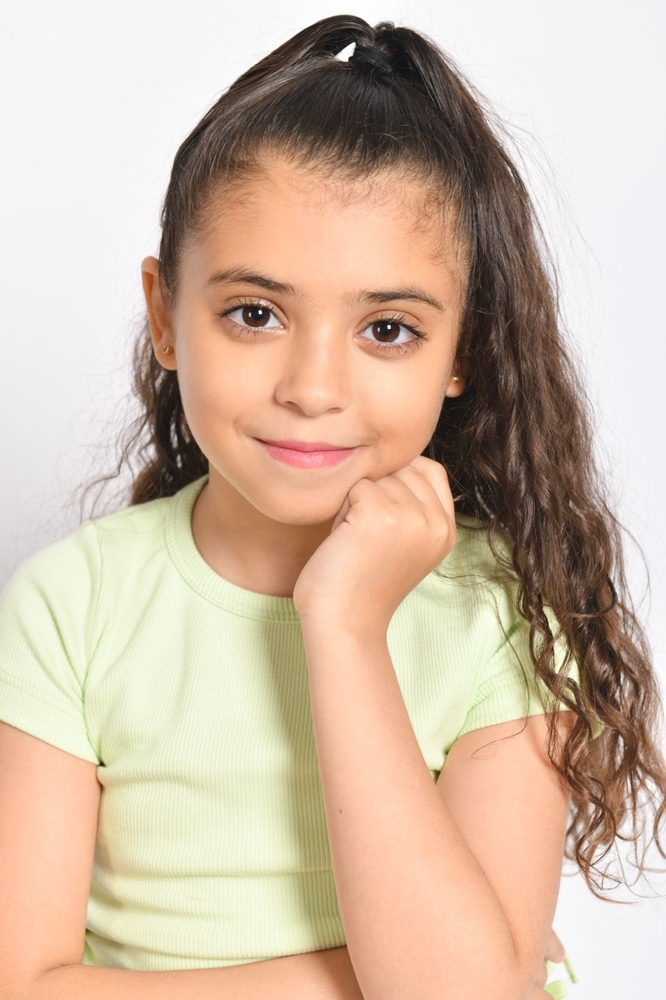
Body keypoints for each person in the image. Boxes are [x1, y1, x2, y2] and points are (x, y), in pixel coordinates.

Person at [1, 13, 664, 1000]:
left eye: (387, 328)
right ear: (165, 315)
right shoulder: (72, 604)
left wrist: (346, 625)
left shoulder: (505, 611)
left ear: (465, 351)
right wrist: (377, 979)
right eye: (255, 313)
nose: (313, 388)